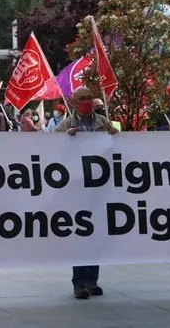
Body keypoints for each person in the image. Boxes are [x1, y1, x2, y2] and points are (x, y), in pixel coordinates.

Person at [56, 87, 117, 299]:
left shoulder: (104, 123)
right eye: (82, 98)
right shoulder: (65, 126)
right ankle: (79, 283)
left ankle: (93, 280)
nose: (87, 101)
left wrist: (114, 136)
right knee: (82, 234)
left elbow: (117, 149)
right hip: (77, 187)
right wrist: (66, 139)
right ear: (73, 102)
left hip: (100, 186)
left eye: (89, 98)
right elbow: (53, 153)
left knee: (97, 233)